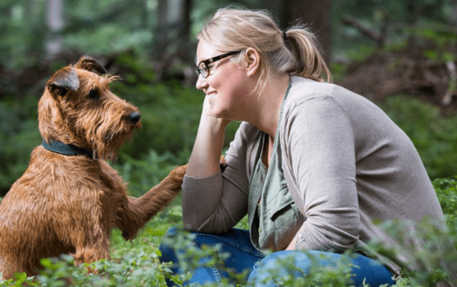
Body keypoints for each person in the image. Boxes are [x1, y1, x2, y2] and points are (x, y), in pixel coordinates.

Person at [159, 7, 445, 287]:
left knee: (275, 270)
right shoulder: (253, 131)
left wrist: (266, 271)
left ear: (249, 60)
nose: (199, 82)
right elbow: (202, 220)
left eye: (207, 66)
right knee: (182, 243)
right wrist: (210, 123)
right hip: (303, 264)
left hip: (392, 272)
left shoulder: (313, 110)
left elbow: (333, 227)